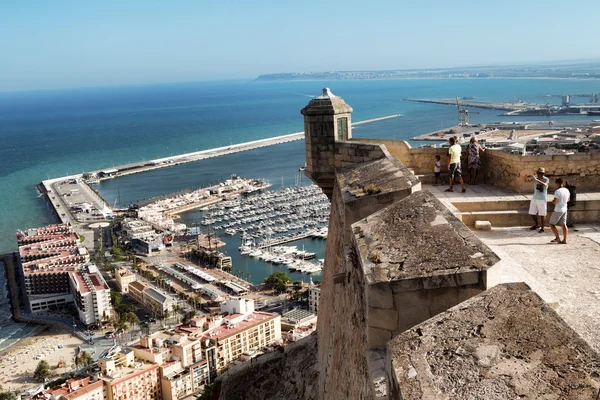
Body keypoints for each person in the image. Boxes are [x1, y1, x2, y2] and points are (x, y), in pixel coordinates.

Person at [524, 167, 549, 232]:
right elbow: (526, 181)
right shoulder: (535, 178)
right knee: (532, 212)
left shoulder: (546, 179)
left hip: (542, 198)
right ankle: (537, 224)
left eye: (541, 173)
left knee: (542, 214)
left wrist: (536, 180)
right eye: (539, 173)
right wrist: (525, 178)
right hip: (535, 197)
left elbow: (545, 184)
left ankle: (542, 228)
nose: (540, 174)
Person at [549, 177, 570, 244]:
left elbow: (555, 201)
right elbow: (568, 200)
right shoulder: (566, 190)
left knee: (552, 224)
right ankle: (565, 239)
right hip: (565, 209)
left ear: (557, 183)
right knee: (564, 224)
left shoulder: (557, 191)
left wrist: (553, 201)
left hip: (558, 209)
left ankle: (557, 237)